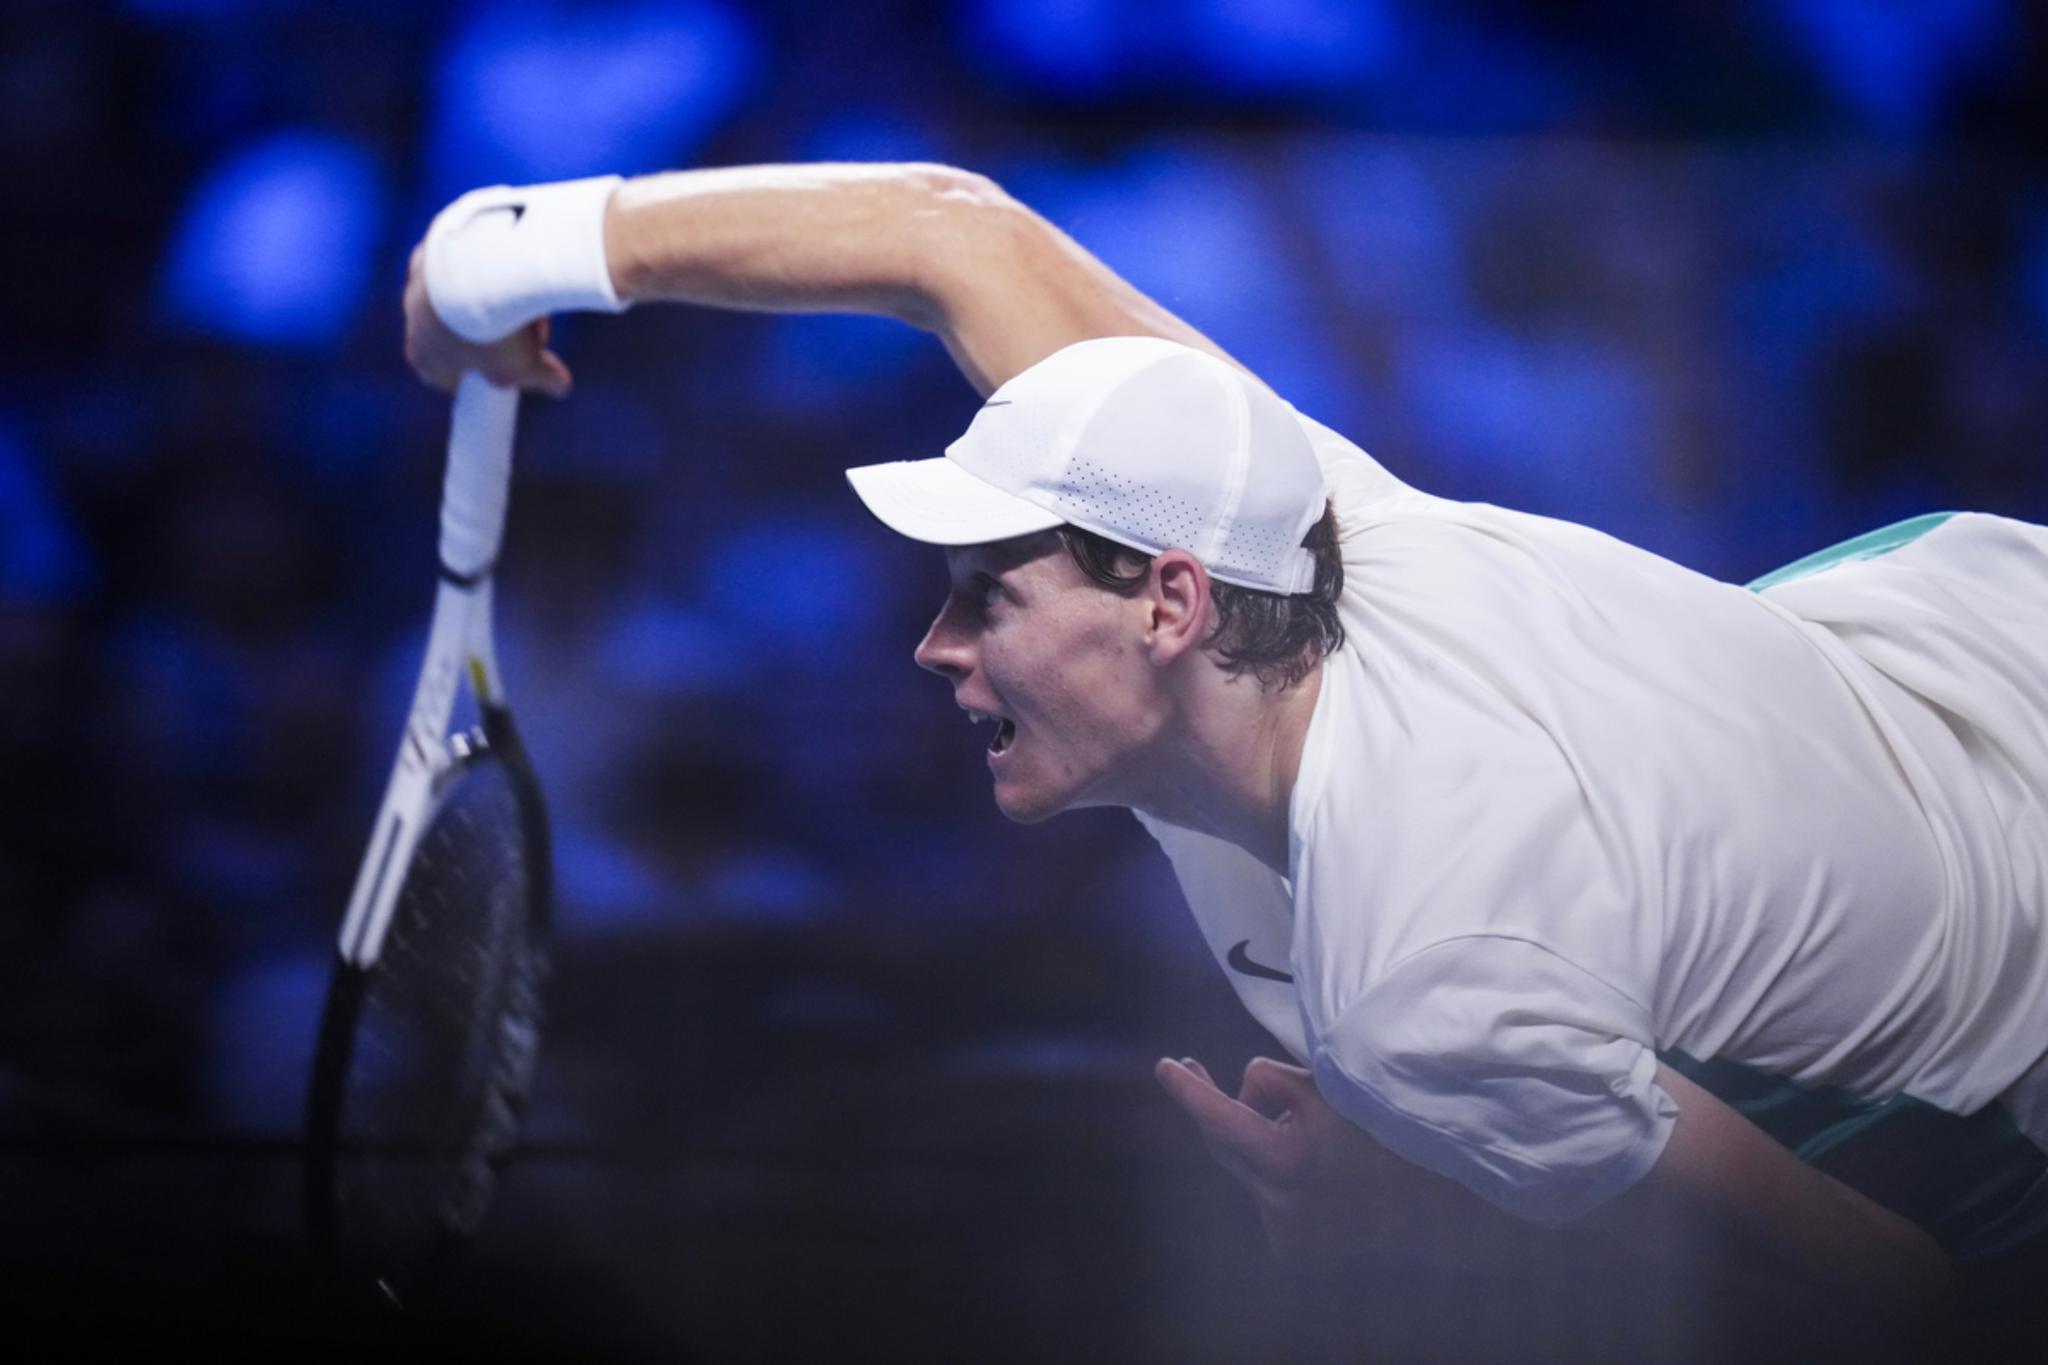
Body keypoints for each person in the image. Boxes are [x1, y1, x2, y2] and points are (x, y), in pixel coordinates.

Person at [402, 164, 2048, 1358]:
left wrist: (1427, 1205)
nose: (933, 646)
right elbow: (939, 234)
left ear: (1173, 602)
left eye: (990, 593)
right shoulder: (1324, 518)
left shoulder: (1416, 986)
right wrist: (512, 249)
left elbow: (1889, 1284)